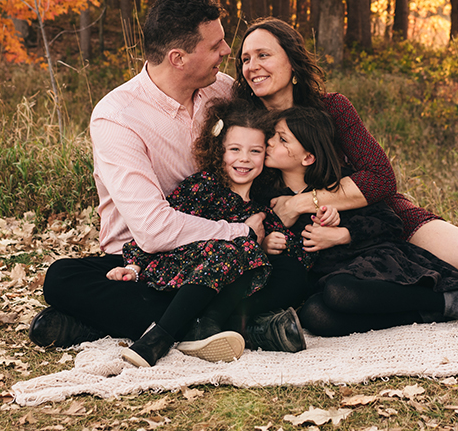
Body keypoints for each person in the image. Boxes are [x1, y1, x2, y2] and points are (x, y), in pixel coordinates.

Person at [31, 0, 304, 355]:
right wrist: (239, 232)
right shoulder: (117, 117)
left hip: (225, 259)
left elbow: (282, 129)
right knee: (62, 278)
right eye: (215, 44)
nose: (227, 51)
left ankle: (100, 323)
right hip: (145, 259)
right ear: (178, 58)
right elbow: (153, 229)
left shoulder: (223, 92)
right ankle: (235, 325)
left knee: (295, 270)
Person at [235, 17, 458, 284]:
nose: (253, 66)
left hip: (371, 215)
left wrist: (301, 204)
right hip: (299, 239)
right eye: (246, 59)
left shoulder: (333, 107)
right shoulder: (244, 127)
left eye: (264, 55)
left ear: (292, 62)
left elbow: (380, 178)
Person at [258, 105, 458, 335]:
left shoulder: (337, 185)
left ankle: (450, 299)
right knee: (315, 315)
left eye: (283, 140)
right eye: (272, 136)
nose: (269, 142)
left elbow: (390, 223)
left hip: (373, 266)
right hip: (328, 278)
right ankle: (428, 312)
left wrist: (342, 234)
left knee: (340, 290)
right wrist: (267, 243)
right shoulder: (268, 196)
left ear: (308, 157)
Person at [109, 99, 310, 367]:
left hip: (220, 288)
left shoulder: (261, 208)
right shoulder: (203, 186)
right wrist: (133, 265)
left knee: (276, 264)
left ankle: (206, 326)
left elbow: (299, 258)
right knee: (236, 246)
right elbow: (157, 229)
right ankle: (161, 337)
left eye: (255, 151)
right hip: (180, 271)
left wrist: (275, 245)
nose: (244, 159)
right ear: (220, 150)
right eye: (235, 149)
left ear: (265, 155)